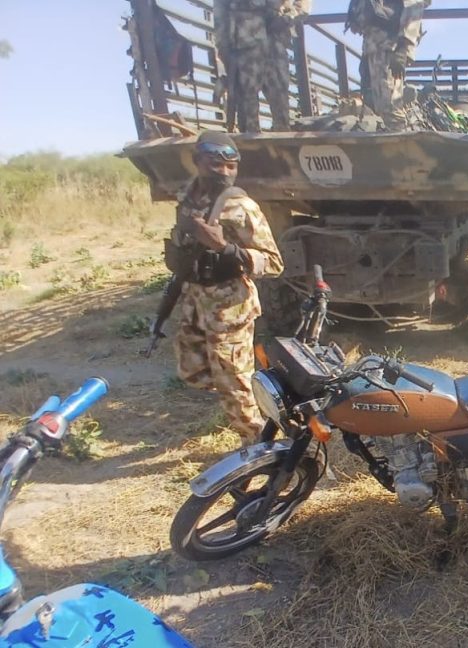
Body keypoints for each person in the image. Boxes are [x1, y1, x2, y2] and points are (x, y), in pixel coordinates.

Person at [166, 131, 285, 444]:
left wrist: (225, 248)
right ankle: (240, 393)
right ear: (197, 161)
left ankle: (261, 445)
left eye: (231, 166)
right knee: (191, 370)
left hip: (230, 306)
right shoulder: (187, 196)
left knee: (235, 384)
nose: (224, 172)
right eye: (215, 164)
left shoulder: (241, 206)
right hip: (195, 300)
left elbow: (274, 263)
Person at [214, 0, 310, 133]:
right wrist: (223, 48)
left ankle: (283, 143)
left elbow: (304, 5)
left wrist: (289, 17)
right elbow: (220, 12)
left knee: (281, 113)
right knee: (247, 115)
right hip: (244, 47)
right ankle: (250, 144)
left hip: (275, 44)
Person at [347, 0, 428, 130]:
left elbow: (415, 5)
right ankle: (395, 138)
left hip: (390, 49)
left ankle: (399, 141)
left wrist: (403, 48)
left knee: (391, 108)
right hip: (375, 47)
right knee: (380, 107)